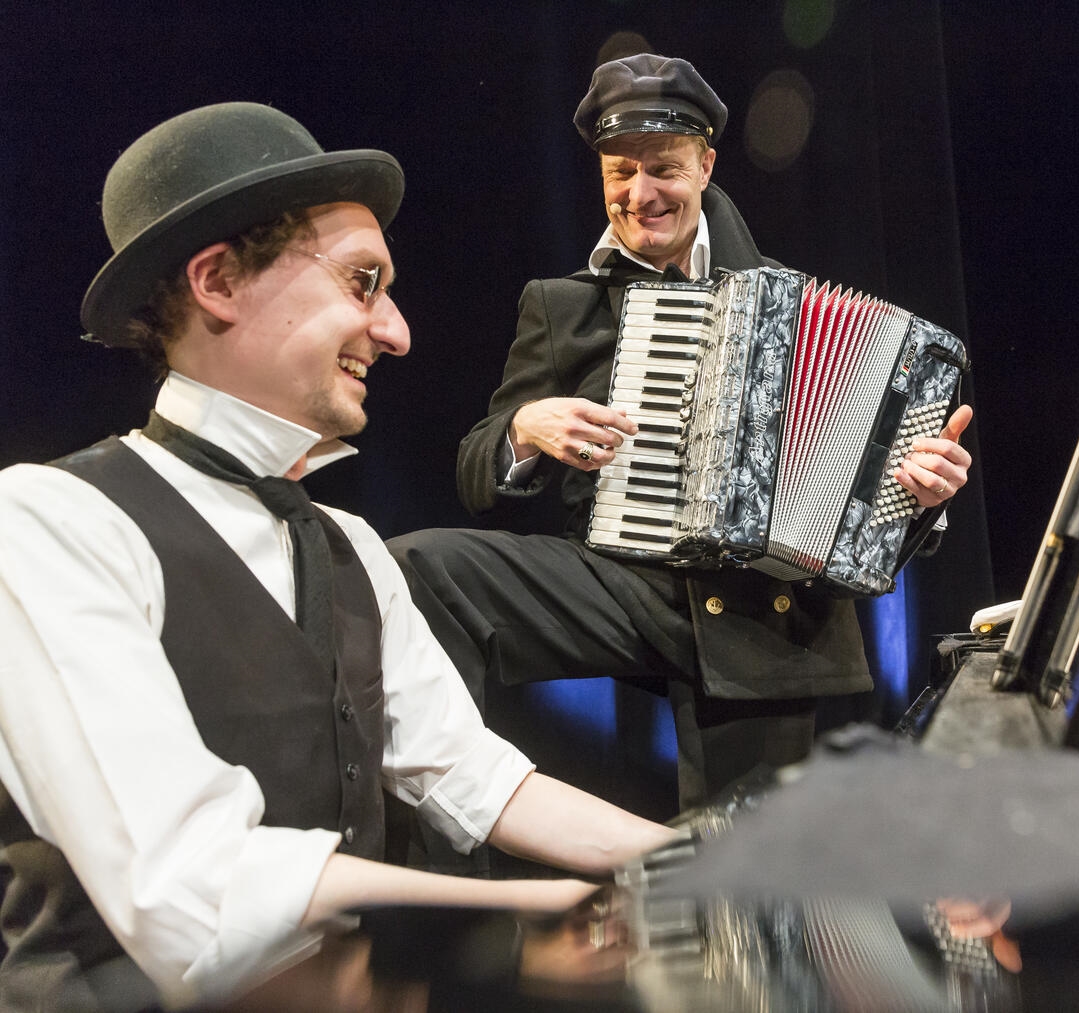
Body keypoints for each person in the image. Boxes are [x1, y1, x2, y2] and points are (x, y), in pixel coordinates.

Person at [0, 102, 674, 1012]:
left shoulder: (348, 544)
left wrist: (695, 860)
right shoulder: (49, 522)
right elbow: (194, 892)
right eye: (363, 283)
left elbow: (469, 774)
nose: (396, 331)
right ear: (218, 281)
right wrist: (526, 921)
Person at [388, 54, 974, 811]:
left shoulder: (790, 300)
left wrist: (922, 496)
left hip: (763, 607)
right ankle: (449, 846)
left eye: (663, 168)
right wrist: (525, 429)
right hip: (622, 584)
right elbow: (477, 467)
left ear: (705, 166)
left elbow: (869, 511)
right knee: (422, 568)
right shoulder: (561, 306)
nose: (640, 194)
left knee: (745, 846)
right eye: (620, 172)